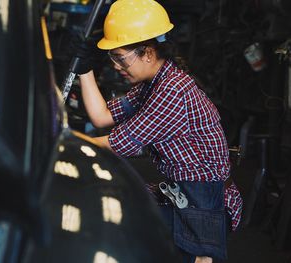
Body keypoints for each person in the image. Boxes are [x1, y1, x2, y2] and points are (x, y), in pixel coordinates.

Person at [70, 0, 243, 262]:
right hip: (182, 192)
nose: (116, 66)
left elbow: (118, 144)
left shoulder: (171, 91)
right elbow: (102, 117)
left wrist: (62, 141)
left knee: (122, 220)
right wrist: (85, 71)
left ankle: (200, 257)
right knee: (115, 198)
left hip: (205, 205)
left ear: (148, 53)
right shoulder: (153, 83)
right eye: (112, 57)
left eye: (120, 57)